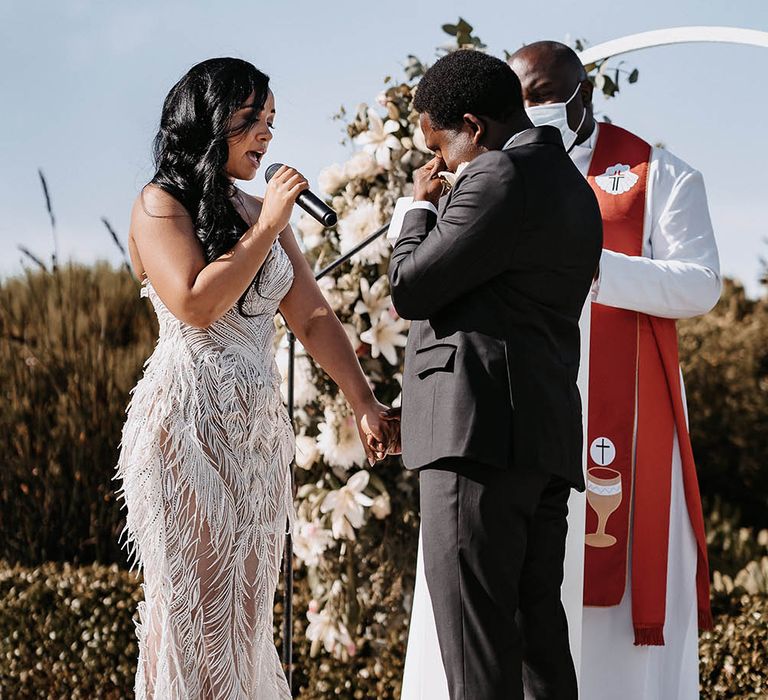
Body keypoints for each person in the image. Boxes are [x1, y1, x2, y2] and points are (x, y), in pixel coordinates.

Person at [114, 57, 393, 700]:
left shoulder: (254, 209)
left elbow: (313, 314)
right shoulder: (159, 204)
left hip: (256, 434)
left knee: (243, 614)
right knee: (191, 613)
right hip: (184, 427)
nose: (267, 136)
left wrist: (364, 401)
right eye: (251, 121)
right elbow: (194, 303)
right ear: (210, 124)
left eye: (271, 121)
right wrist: (268, 224)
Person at [508, 41, 720, 699]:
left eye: (545, 92)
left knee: (613, 615)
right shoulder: (497, 170)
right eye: (521, 95)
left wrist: (592, 268)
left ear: (584, 94)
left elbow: (702, 282)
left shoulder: (657, 172)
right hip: (523, 415)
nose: (533, 108)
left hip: (623, 415)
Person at [389, 49, 602, 700]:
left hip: (476, 441)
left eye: (442, 144)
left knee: (477, 652)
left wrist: (415, 214)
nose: (443, 163)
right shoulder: (573, 190)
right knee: (540, 647)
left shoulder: (496, 177)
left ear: (474, 126)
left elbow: (411, 287)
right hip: (542, 442)